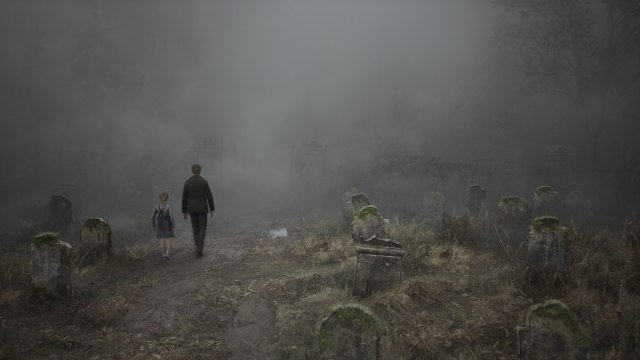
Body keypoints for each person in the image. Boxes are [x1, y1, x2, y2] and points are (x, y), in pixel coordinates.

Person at [182, 164, 215, 257]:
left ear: (192, 171)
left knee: (195, 228)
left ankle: (197, 246)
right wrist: (212, 209)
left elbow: (184, 198)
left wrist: (184, 211)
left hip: (192, 209)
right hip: (202, 208)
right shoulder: (204, 182)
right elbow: (209, 196)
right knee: (202, 228)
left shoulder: (187, 182)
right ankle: (199, 248)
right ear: (200, 171)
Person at [152, 191, 175, 260]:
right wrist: (173, 225)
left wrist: (154, 226)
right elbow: (171, 217)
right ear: (167, 198)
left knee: (162, 239)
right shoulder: (168, 205)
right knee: (170, 237)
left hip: (159, 224)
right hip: (167, 223)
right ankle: (167, 252)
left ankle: (163, 254)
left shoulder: (156, 206)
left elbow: (152, 216)